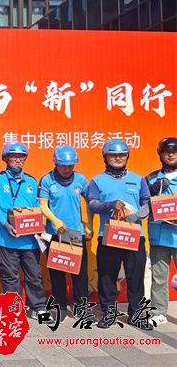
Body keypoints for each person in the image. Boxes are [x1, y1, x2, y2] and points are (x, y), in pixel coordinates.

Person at [87, 138, 153, 330]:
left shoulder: (138, 179)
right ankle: (108, 313)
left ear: (127, 156)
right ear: (105, 157)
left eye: (122, 155)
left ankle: (136, 315)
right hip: (108, 235)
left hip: (134, 235)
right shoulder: (97, 180)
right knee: (107, 276)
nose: (118, 158)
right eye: (113, 155)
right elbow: (92, 204)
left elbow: (146, 204)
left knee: (135, 276)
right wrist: (109, 204)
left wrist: (135, 216)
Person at [0, 142, 53, 322]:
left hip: (29, 240)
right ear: (5, 158)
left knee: (34, 275)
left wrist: (37, 226)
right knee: (10, 276)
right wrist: (6, 225)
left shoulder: (31, 181)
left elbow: (36, 207)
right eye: (13, 156)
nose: (18, 160)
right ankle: (14, 309)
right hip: (6, 238)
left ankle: (38, 308)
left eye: (21, 157)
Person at [39, 146, 89, 322]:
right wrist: (55, 221)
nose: (67, 169)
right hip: (56, 234)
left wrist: (88, 225)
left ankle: (81, 308)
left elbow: (90, 202)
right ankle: (60, 306)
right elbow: (42, 205)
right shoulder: (47, 180)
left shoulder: (80, 180)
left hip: (75, 233)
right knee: (57, 273)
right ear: (56, 163)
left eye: (71, 165)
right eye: (63, 166)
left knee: (80, 275)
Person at [146, 137, 177, 326]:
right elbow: (143, 204)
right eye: (167, 152)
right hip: (159, 236)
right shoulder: (151, 179)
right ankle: (158, 312)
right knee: (158, 277)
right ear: (160, 154)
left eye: (174, 152)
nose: (171, 155)